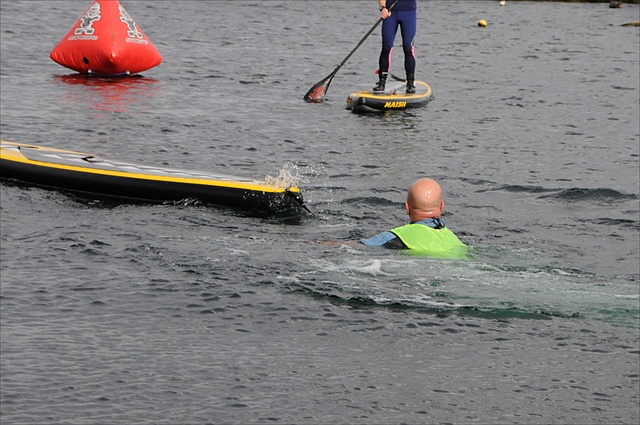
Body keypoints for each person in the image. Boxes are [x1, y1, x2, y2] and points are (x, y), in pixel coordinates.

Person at [361, 178, 468, 258]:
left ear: (407, 208)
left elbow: (358, 248)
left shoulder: (395, 237)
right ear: (441, 206)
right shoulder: (457, 243)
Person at [374, 0, 418, 94]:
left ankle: (410, 82)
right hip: (390, 13)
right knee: (386, 47)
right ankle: (382, 82)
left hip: (409, 13)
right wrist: (383, 8)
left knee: (408, 48)